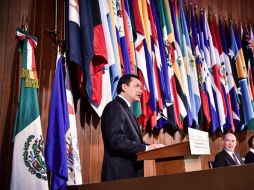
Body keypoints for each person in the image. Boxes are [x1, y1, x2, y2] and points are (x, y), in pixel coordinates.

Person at [101, 74, 164, 181]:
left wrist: (153, 147)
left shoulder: (127, 110)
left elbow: (133, 141)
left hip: (130, 176)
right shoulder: (114, 107)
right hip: (119, 177)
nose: (141, 91)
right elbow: (116, 141)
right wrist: (146, 148)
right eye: (137, 86)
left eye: (141, 87)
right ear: (124, 87)